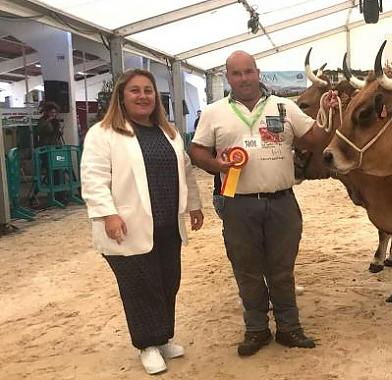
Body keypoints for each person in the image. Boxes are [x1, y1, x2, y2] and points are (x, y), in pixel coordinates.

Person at [189, 50, 337, 357]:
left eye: (248, 72)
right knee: (247, 271)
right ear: (228, 78)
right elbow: (196, 150)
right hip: (238, 205)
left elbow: (314, 138)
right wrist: (216, 165)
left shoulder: (283, 108)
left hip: (282, 202)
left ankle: (289, 328)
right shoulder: (214, 112)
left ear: (258, 73)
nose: (243, 78)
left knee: (282, 270)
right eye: (236, 73)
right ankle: (256, 329)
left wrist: (329, 111)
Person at [80, 69, 204, 375]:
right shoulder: (102, 134)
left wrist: (195, 205)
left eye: (148, 90)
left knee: (167, 282)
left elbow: (186, 172)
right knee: (140, 286)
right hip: (125, 226)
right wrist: (108, 213)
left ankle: (162, 339)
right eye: (135, 90)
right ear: (121, 96)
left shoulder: (170, 132)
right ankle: (146, 345)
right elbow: (93, 178)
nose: (143, 96)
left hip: (166, 225)